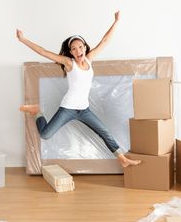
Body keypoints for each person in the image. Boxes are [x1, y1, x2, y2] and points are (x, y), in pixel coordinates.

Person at [16, 11, 141, 168]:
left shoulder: (89, 60)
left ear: (84, 47)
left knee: (105, 132)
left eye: (80, 47)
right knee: (45, 134)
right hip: (67, 109)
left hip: (84, 110)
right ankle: (36, 111)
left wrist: (116, 21)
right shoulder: (69, 63)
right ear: (70, 52)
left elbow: (105, 40)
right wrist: (23, 40)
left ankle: (122, 159)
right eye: (73, 49)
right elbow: (43, 52)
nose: (78, 51)